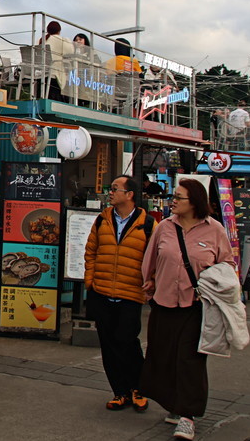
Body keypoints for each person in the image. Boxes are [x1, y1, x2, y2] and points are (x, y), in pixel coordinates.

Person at [140, 179, 236, 440]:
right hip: (163, 302)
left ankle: (187, 416)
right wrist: (148, 281)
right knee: (163, 356)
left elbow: (227, 265)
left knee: (190, 360)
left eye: (178, 197)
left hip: (196, 306)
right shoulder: (165, 227)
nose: (173, 200)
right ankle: (174, 404)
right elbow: (151, 259)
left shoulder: (214, 229)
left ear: (194, 202)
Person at [84, 175, 157, 414]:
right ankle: (120, 392)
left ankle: (138, 388)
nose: (110, 192)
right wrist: (90, 282)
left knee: (128, 342)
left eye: (115, 189)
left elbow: (155, 258)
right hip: (102, 292)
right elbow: (90, 251)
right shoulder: (102, 220)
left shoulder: (148, 225)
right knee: (108, 344)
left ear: (130, 194)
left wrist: (150, 284)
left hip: (130, 294)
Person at [38, 20, 72, 102]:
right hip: (54, 73)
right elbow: (71, 51)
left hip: (39, 73)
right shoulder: (61, 40)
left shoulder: (41, 40)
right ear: (59, 31)